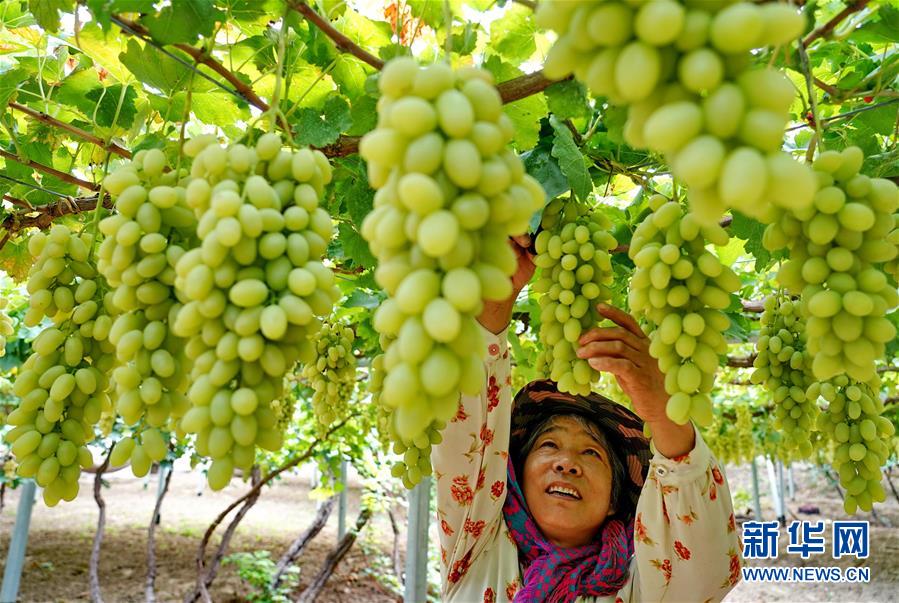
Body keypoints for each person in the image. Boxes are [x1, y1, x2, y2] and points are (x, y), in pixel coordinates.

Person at [432, 235, 742, 602]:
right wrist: (496, 301)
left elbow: (707, 564)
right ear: (510, 477)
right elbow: (467, 437)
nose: (567, 463)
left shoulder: (647, 584)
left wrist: (664, 412)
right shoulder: (476, 545)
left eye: (591, 453)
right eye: (549, 444)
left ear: (614, 499)